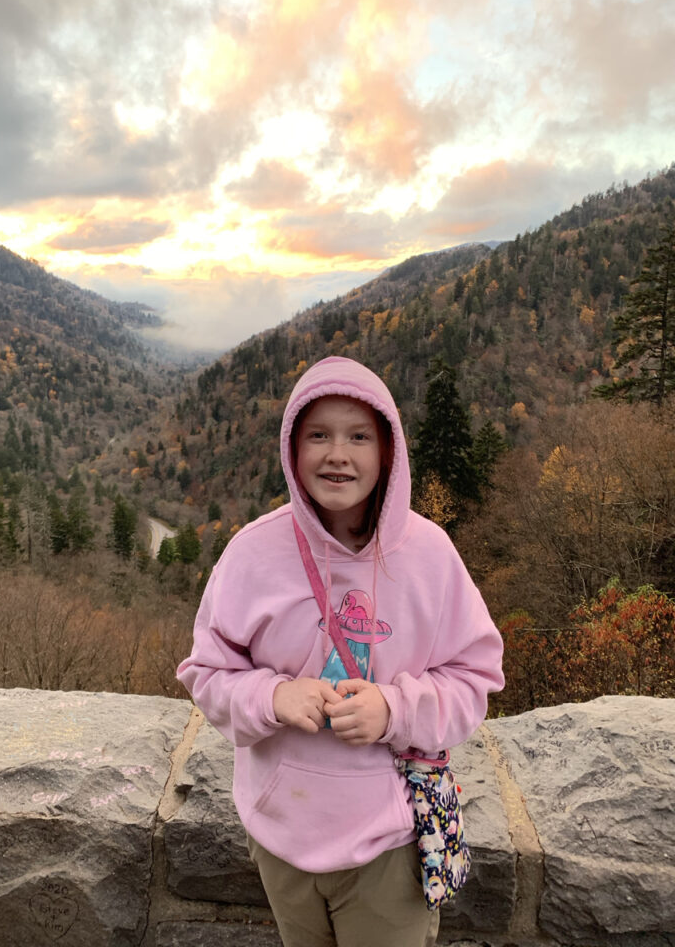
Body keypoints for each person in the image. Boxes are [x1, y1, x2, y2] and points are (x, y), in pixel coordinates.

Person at [177, 356, 504, 947]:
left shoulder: (431, 555)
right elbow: (206, 672)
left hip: (389, 846)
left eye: (359, 436)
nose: (338, 454)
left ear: (388, 451)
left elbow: (475, 677)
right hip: (281, 838)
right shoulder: (252, 553)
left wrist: (395, 710)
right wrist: (272, 695)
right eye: (318, 435)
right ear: (292, 449)